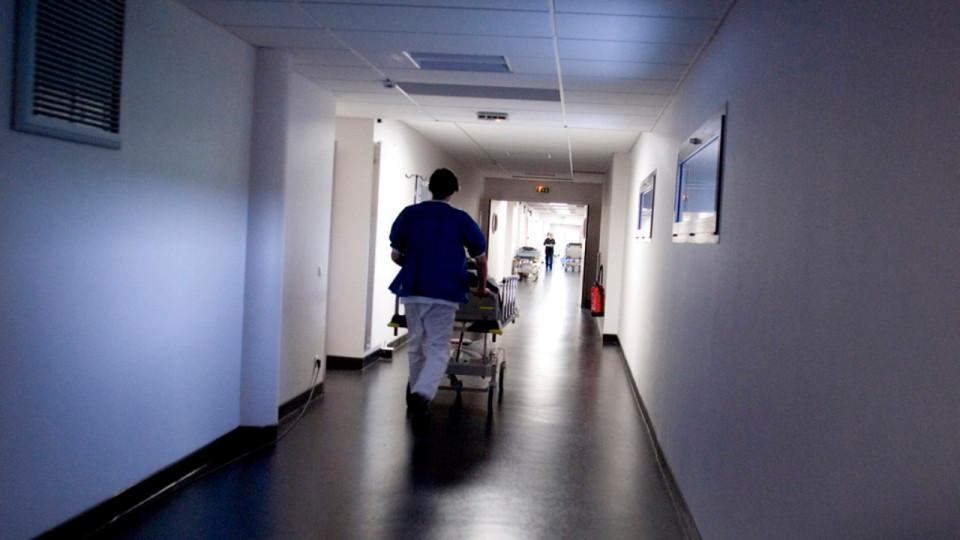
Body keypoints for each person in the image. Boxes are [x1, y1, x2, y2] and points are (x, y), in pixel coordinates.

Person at [389, 168, 488, 436]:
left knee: (416, 345)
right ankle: (422, 394)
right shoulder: (460, 219)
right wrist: (480, 287)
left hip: (413, 289)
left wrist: (417, 263)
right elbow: (480, 258)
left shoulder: (409, 215)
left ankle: (416, 390)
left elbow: (396, 256)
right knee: (439, 349)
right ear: (453, 191)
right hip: (444, 294)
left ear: (430, 187)